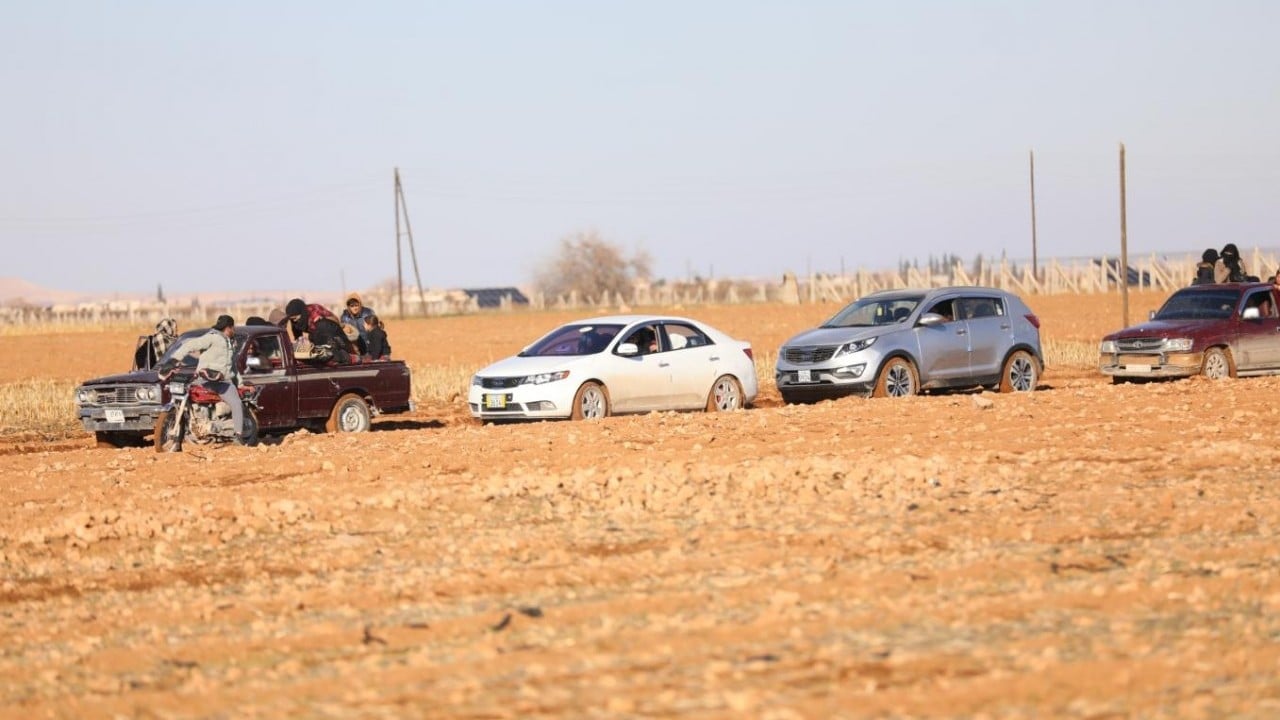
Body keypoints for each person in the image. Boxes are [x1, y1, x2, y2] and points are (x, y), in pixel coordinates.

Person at [162, 315, 251, 445]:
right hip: (205, 380)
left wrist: (240, 384)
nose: (234, 330)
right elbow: (190, 345)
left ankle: (238, 436)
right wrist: (174, 360)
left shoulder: (229, 344)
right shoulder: (212, 337)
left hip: (224, 382)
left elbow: (233, 368)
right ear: (229, 328)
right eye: (233, 328)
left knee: (236, 403)